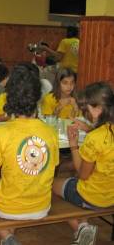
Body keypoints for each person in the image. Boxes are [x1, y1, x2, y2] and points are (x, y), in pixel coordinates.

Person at [0, 63, 59, 245]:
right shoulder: (50, 132)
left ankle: (7, 236)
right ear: (38, 98)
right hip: (42, 207)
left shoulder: (0, 133)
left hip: (9, 206)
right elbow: (49, 169)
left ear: (10, 98)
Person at [53, 81, 114, 245]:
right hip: (111, 193)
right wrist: (88, 128)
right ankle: (83, 221)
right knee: (72, 180)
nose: (86, 112)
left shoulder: (95, 139)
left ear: (97, 109)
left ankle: (81, 226)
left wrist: (73, 145)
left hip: (94, 197)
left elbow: (83, 175)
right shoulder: (102, 133)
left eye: (87, 108)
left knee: (49, 183)